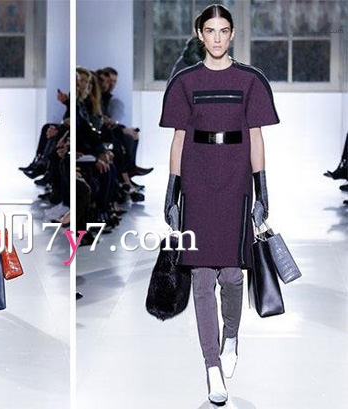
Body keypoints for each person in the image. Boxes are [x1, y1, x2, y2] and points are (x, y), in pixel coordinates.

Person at [159, 4, 279, 405]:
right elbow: (178, 138)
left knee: (232, 275)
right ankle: (211, 364)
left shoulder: (250, 80)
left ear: (232, 34)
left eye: (223, 30)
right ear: (199, 34)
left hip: (235, 180)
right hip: (197, 180)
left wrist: (262, 190)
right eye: (209, 30)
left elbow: (256, 137)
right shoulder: (184, 81)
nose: (216, 37)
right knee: (201, 277)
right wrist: (172, 191)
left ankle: (231, 336)